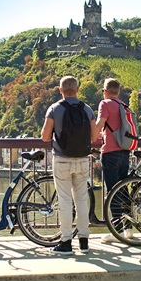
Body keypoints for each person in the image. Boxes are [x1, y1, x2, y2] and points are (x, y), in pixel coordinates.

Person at [41, 75, 97, 254]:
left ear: (61, 90)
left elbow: (45, 136)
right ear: (78, 89)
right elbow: (94, 137)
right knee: (81, 199)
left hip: (62, 159)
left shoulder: (55, 108)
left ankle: (65, 242)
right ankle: (84, 241)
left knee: (64, 201)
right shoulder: (87, 109)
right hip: (82, 159)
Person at [94, 78, 133, 242]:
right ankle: (128, 228)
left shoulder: (105, 104)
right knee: (123, 189)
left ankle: (117, 231)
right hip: (125, 152)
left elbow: (99, 125)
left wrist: (91, 135)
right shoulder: (124, 105)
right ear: (118, 91)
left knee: (112, 192)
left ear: (105, 91)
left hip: (110, 153)